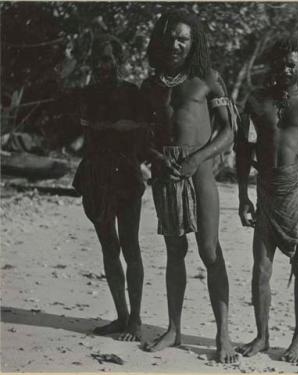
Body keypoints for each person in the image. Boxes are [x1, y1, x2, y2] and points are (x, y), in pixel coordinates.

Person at [139, 11, 239, 364]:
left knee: (210, 252)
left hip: (199, 172)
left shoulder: (208, 79)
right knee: (174, 251)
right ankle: (173, 328)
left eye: (183, 38)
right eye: (169, 37)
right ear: (159, 40)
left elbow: (228, 132)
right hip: (165, 172)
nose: (175, 44)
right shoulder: (150, 86)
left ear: (193, 42)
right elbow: (142, 137)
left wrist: (197, 159)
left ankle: (223, 333)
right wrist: (156, 156)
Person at [235, 37, 298, 363]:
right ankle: (262, 336)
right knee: (261, 268)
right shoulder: (255, 101)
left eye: (292, 64)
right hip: (266, 190)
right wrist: (242, 196)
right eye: (280, 64)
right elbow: (242, 151)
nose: (285, 70)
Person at [73, 35, 146, 341]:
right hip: (95, 175)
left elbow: (145, 129)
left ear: (119, 59)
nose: (104, 65)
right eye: (99, 60)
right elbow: (81, 131)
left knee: (130, 245)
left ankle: (136, 320)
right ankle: (121, 316)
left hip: (126, 174)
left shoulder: (132, 92)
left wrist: (117, 127)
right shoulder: (87, 93)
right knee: (108, 247)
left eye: (108, 58)